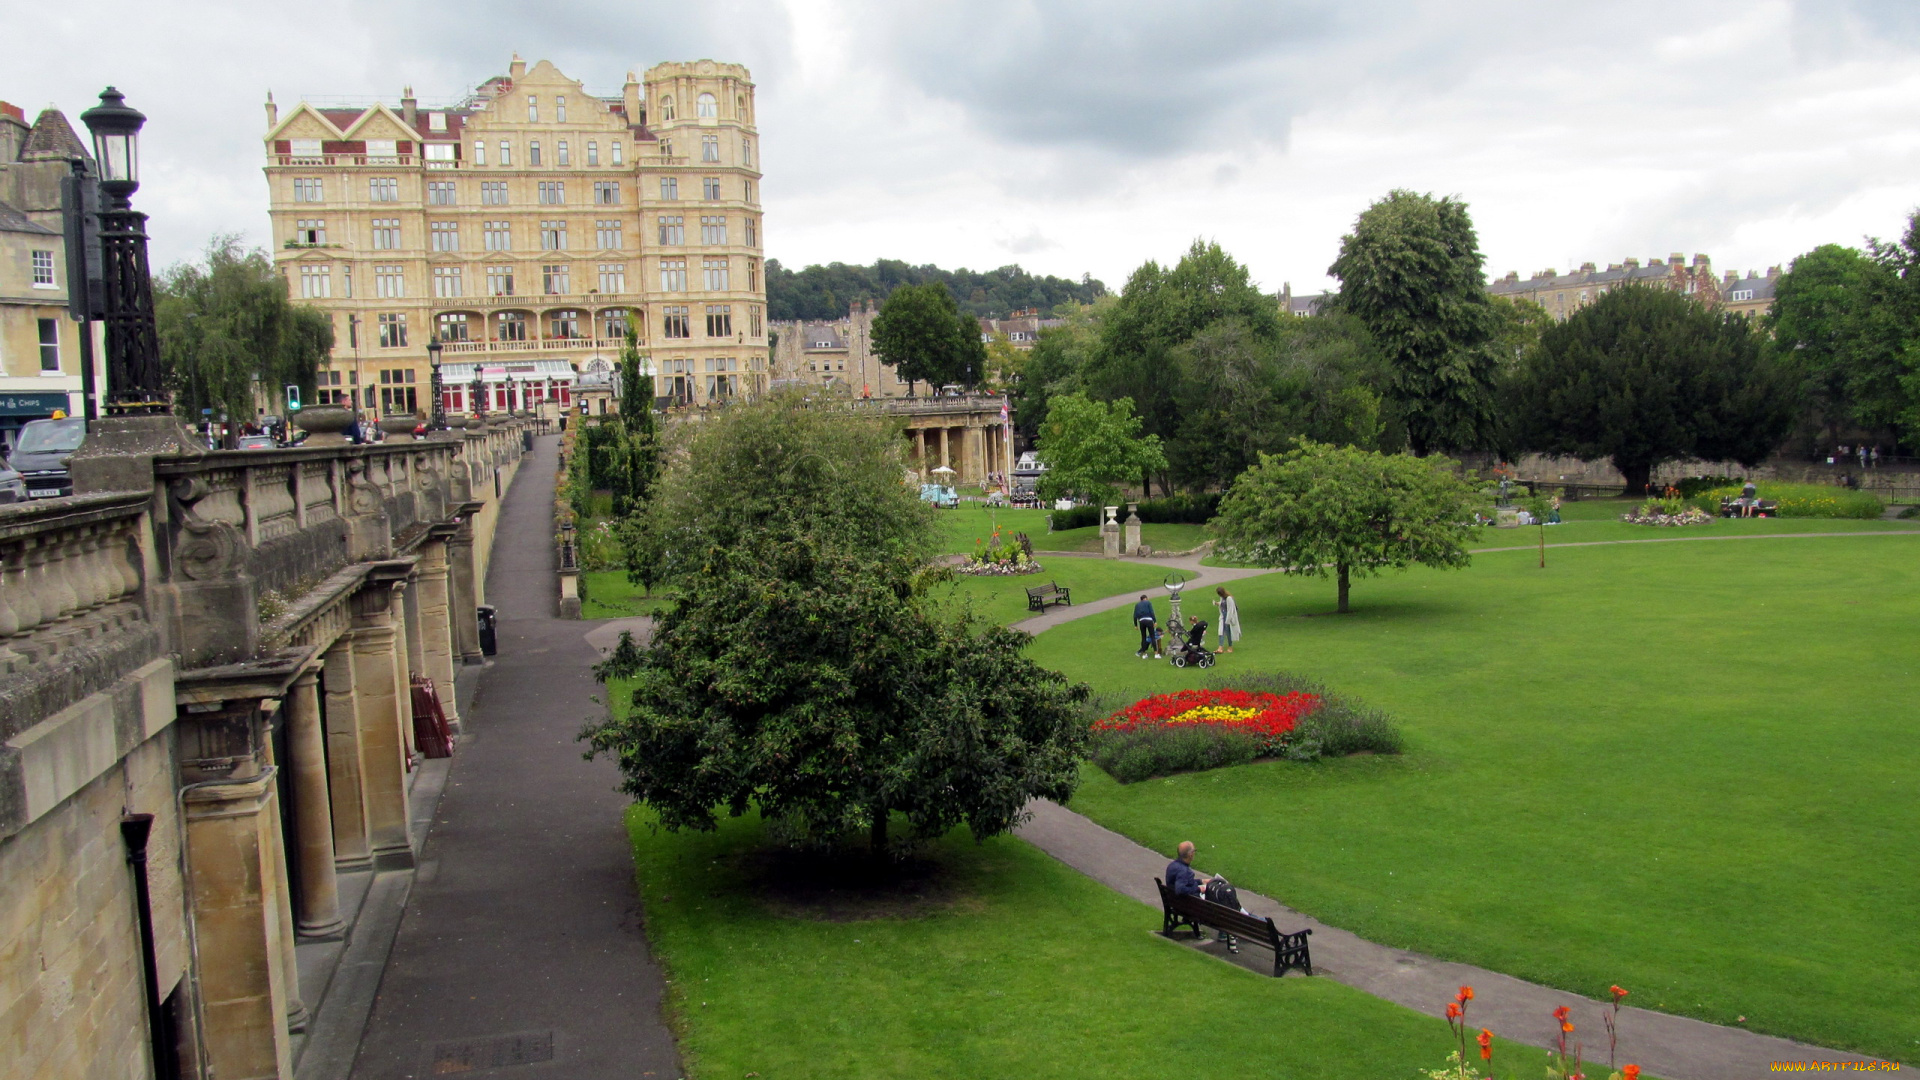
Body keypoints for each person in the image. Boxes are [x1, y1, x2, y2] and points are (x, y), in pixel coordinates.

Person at [1214, 586, 1241, 654]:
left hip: (1228, 617)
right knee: (1221, 632)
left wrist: (1228, 621)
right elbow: (1222, 604)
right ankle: (1220, 647)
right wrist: (1217, 603)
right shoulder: (1222, 598)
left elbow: (1230, 610)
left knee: (1228, 632)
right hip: (1223, 616)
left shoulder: (1229, 598)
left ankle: (1230, 647)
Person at [1133, 594, 1160, 659]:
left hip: (1141, 621)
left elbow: (1135, 615)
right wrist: (1155, 621)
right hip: (1149, 620)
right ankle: (1156, 653)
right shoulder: (1148, 603)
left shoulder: (1137, 605)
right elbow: (1151, 612)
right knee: (1152, 636)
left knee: (1143, 637)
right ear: (1146, 598)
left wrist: (1136, 625)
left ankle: (1144, 654)